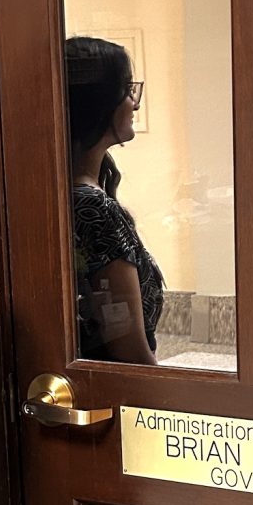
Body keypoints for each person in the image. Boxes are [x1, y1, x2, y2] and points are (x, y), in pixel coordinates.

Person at [65, 36, 164, 364]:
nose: (134, 103)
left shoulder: (67, 194)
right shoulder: (94, 209)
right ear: (98, 105)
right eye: (126, 90)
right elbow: (130, 351)